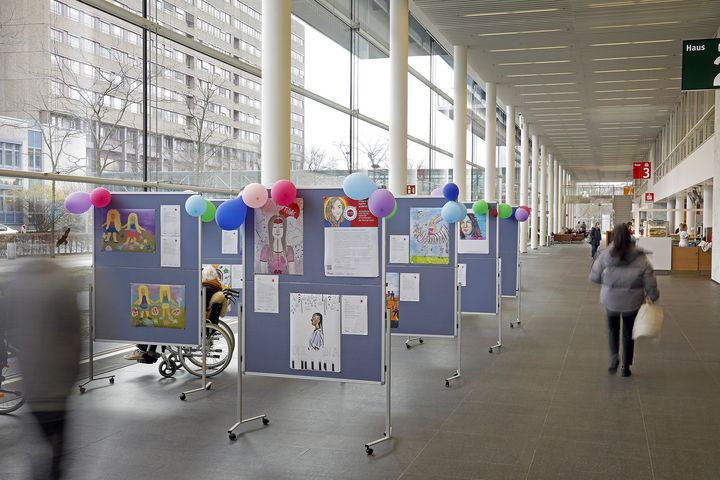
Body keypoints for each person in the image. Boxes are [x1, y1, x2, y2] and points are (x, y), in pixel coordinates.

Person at [3, 259, 82, 479]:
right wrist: (73, 371)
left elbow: (8, 325)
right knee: (57, 451)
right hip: (58, 385)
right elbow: (74, 331)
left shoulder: (17, 280)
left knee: (41, 446)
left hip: (32, 381)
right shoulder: (61, 281)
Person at [590, 224, 659, 377]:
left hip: (610, 301)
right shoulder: (641, 258)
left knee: (613, 329)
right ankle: (626, 366)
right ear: (629, 237)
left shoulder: (605, 255)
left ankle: (614, 356)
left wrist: (608, 282)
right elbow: (650, 280)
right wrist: (653, 295)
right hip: (632, 302)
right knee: (628, 333)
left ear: (614, 236)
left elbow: (594, 276)